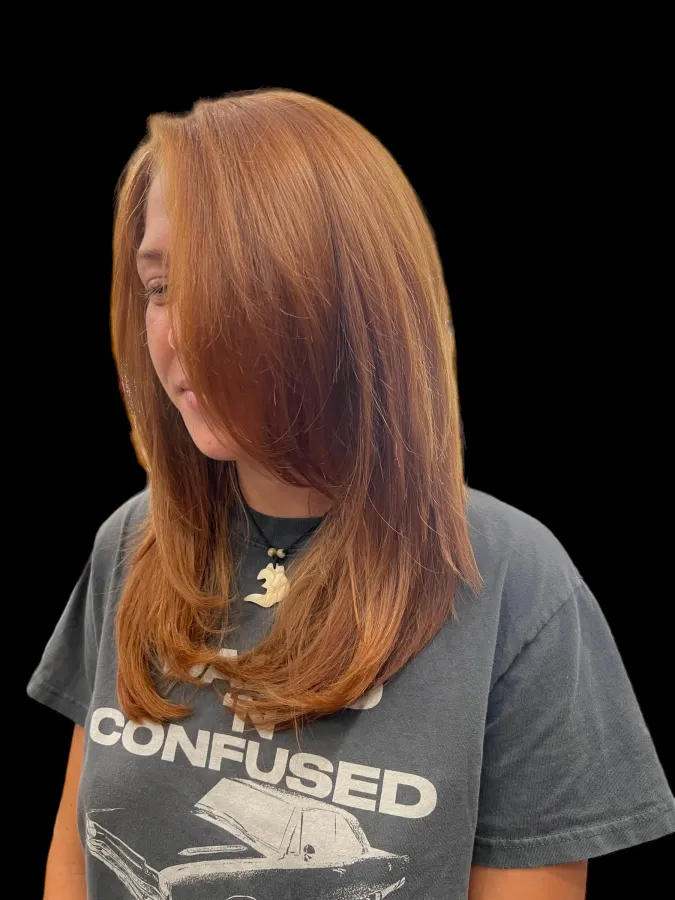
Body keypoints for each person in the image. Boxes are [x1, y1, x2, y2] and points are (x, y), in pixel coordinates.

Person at [29, 88, 673, 900]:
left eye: (223, 283)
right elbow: (76, 855)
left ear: (343, 298)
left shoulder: (513, 582)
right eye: (159, 287)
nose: (178, 331)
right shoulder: (133, 542)